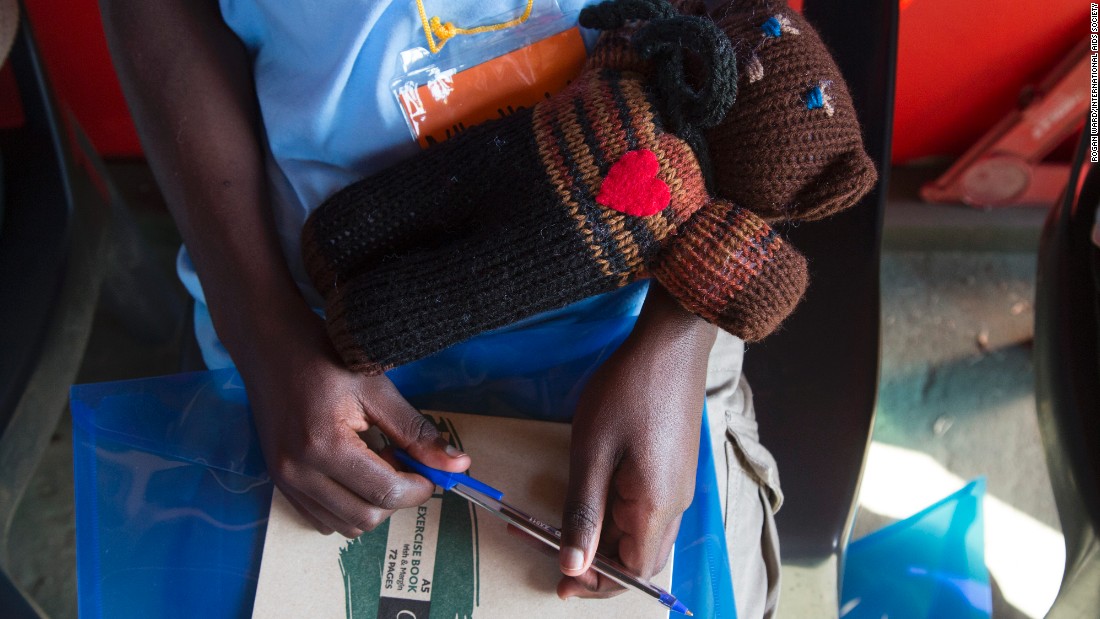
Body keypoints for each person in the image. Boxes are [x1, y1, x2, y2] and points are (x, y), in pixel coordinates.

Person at [98, 0, 783, 616]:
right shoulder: (281, 336)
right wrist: (264, 330)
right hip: (308, 344)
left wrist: (681, 330)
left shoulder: (671, 325)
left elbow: (764, 53)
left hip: (649, 314)